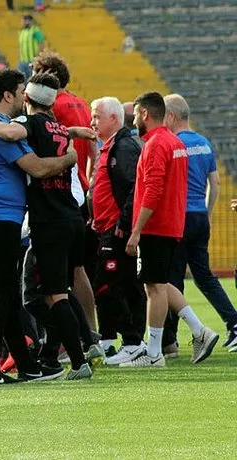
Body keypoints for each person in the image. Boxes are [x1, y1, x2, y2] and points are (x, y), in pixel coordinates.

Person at [0, 73, 93, 380]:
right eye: (19, 90)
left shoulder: (5, 126)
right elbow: (36, 166)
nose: (23, 96)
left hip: (19, 219)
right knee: (12, 295)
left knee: (17, 295)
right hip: (2, 218)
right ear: (10, 96)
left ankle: (31, 363)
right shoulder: (18, 129)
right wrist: (71, 157)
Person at [121, 91, 218, 368]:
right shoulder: (175, 142)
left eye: (137, 113)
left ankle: (153, 354)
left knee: (153, 287)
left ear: (145, 114)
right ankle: (200, 330)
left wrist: (137, 229)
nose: (135, 119)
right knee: (162, 283)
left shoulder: (154, 145)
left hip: (155, 225)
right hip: (173, 223)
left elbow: (153, 189)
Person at [163, 94, 237, 352]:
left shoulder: (174, 144)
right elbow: (214, 183)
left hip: (178, 218)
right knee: (204, 276)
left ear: (170, 116)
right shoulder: (204, 143)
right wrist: (207, 213)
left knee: (170, 278)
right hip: (199, 216)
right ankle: (234, 323)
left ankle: (168, 341)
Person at [31, 50, 97, 332]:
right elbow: (93, 146)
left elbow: (47, 138)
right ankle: (91, 331)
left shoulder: (51, 105)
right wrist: (90, 178)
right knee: (78, 268)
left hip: (56, 189)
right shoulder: (81, 103)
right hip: (79, 189)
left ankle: (58, 336)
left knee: (51, 272)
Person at [87, 96, 146, 364]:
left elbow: (133, 189)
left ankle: (133, 341)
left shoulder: (122, 147)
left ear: (113, 118)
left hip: (116, 230)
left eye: (97, 117)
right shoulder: (110, 146)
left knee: (106, 285)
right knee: (121, 284)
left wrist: (124, 224)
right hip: (107, 227)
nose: (92, 121)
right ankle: (120, 340)